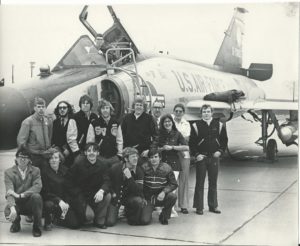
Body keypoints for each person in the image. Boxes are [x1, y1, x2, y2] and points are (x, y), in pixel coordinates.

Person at [189, 104, 228, 215]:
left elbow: (224, 141)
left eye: (208, 111)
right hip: (202, 158)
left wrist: (220, 152)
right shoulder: (196, 126)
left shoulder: (219, 125)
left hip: (214, 158)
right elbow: (192, 143)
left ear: (212, 113)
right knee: (199, 183)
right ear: (201, 113)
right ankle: (199, 207)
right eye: (204, 112)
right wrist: (197, 155)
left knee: (213, 183)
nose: (206, 113)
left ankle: (213, 206)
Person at [64, 143, 111, 229]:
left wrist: (101, 191)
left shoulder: (103, 164)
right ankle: (83, 215)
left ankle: (99, 221)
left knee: (107, 196)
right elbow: (68, 182)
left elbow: (107, 181)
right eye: (89, 151)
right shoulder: (78, 164)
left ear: (98, 153)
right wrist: (77, 195)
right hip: (80, 196)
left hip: (95, 195)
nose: (91, 153)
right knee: (89, 216)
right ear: (85, 153)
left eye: (94, 151)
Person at [4, 148, 43, 237]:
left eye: (26, 157)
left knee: (37, 197)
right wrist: (12, 207)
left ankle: (36, 227)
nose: (23, 159)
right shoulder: (8, 172)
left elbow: (38, 186)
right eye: (20, 157)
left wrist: (21, 195)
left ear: (29, 160)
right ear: (16, 158)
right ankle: (16, 223)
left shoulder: (36, 170)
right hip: (17, 204)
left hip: (30, 203)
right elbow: (9, 192)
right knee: (8, 210)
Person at [41, 148, 80, 230]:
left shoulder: (65, 170)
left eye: (56, 157)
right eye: (51, 158)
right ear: (48, 160)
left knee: (77, 222)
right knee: (74, 224)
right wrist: (59, 201)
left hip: (65, 202)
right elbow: (45, 193)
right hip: (52, 201)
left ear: (60, 159)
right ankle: (52, 218)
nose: (54, 160)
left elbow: (69, 189)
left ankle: (58, 218)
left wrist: (67, 202)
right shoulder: (44, 173)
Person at [158, 114, 189, 217]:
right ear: (162, 124)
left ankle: (170, 210)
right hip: (162, 164)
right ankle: (162, 208)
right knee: (162, 186)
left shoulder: (177, 134)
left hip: (174, 164)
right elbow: (154, 147)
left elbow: (186, 147)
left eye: (169, 121)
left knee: (172, 188)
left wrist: (172, 148)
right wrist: (162, 149)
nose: (167, 123)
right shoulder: (159, 134)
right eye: (165, 122)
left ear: (172, 122)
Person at [106, 147, 146, 226]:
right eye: (132, 157)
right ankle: (116, 211)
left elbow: (138, 190)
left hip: (130, 198)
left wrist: (130, 178)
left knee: (138, 202)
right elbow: (107, 182)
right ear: (126, 159)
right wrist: (112, 192)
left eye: (136, 156)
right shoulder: (115, 168)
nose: (136, 158)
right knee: (110, 222)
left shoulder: (139, 170)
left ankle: (128, 212)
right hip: (116, 198)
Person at [140, 148, 178, 225]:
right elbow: (140, 184)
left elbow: (173, 184)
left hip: (161, 196)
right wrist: (142, 197)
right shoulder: (144, 167)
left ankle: (164, 215)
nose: (153, 159)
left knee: (172, 196)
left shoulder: (167, 167)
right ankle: (148, 211)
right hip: (148, 198)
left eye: (156, 157)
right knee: (145, 221)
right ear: (148, 159)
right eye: (151, 157)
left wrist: (164, 192)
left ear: (160, 158)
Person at [17, 97, 53, 170]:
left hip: (45, 155)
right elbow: (21, 142)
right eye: (39, 107)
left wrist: (48, 149)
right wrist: (26, 157)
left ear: (45, 108)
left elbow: (49, 136)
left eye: (43, 107)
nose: (41, 109)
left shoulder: (47, 121)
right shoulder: (27, 122)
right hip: (33, 157)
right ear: (35, 108)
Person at [86, 99, 123, 168]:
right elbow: (90, 141)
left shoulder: (116, 123)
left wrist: (119, 155)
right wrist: (94, 155)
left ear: (110, 109)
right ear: (100, 110)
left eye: (107, 108)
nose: (105, 110)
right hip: (100, 157)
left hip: (114, 157)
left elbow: (119, 140)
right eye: (103, 108)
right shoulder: (94, 123)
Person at [172, 103, 191, 214]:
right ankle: (172, 205)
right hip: (173, 154)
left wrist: (175, 140)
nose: (178, 113)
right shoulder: (170, 122)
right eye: (176, 111)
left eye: (180, 111)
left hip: (184, 154)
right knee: (172, 179)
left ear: (183, 113)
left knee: (184, 179)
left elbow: (186, 138)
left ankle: (183, 205)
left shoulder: (186, 124)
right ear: (174, 111)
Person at [52, 101, 79, 167]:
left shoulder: (72, 121)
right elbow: (55, 138)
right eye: (60, 108)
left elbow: (74, 138)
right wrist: (63, 149)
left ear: (68, 109)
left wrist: (68, 149)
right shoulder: (55, 122)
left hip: (72, 151)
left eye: (64, 108)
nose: (62, 109)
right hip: (60, 151)